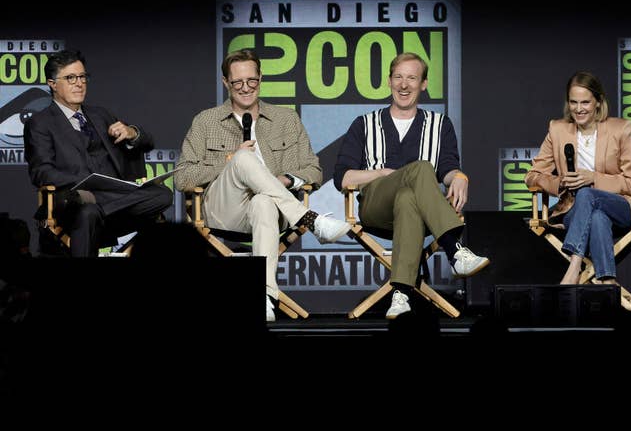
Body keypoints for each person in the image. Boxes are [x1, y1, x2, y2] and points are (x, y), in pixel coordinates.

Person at [174, 49, 351, 322]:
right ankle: (312, 220)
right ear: (225, 83)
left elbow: (313, 170)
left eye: (252, 81)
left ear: (261, 79)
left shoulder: (286, 120)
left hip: (273, 211)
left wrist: (286, 180)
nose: (246, 88)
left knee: (263, 201)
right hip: (223, 208)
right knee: (243, 157)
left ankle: (265, 296)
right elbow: (182, 178)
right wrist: (230, 159)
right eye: (237, 83)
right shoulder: (206, 121)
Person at [333, 52, 490, 320]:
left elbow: (448, 169)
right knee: (422, 168)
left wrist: (460, 177)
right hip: (376, 208)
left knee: (407, 198)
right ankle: (454, 249)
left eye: (412, 78)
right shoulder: (364, 124)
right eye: (398, 77)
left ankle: (401, 293)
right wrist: (382, 173)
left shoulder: (440, 124)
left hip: (421, 212)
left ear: (424, 84)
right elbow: (343, 178)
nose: (404, 85)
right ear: (389, 81)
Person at [23, 49, 172, 257]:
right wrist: (85, 183)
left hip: (116, 204)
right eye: (70, 77)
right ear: (52, 84)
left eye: (83, 77)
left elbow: (148, 142)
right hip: (74, 205)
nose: (79, 83)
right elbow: (41, 172)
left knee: (163, 194)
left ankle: (102, 204)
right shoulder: (40, 123)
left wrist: (131, 133)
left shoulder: (101, 115)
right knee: (87, 211)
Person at [525, 71, 631, 285]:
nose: (578, 109)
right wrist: (558, 182)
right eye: (573, 102)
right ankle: (608, 282)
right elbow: (531, 176)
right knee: (597, 217)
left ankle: (574, 265)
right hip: (574, 211)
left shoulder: (620, 129)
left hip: (620, 207)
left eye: (585, 102)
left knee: (589, 194)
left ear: (598, 102)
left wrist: (593, 178)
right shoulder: (558, 129)